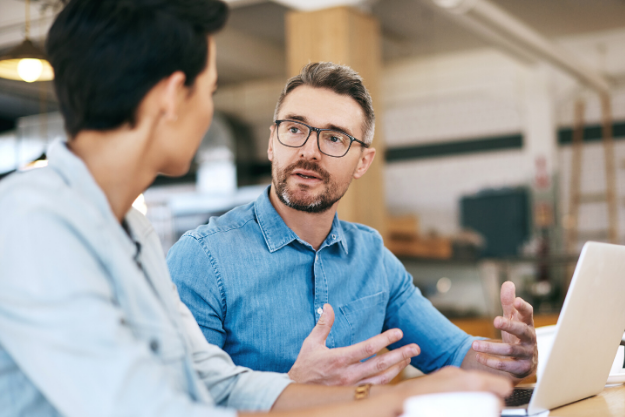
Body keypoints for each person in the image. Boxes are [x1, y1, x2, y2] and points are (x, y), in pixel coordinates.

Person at [0, 1, 514, 416]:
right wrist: (382, 402)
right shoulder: (30, 222)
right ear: (173, 97)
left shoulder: (131, 229)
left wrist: (387, 398)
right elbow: (151, 408)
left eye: (335, 138)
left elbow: (216, 382)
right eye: (211, 91)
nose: (209, 112)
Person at [167, 62, 538, 386]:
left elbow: (457, 356)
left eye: (334, 138)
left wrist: (510, 360)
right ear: (271, 142)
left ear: (363, 162)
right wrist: (292, 386)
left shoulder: (372, 258)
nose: (309, 151)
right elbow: (177, 403)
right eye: (295, 129)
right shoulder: (202, 259)